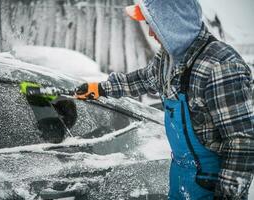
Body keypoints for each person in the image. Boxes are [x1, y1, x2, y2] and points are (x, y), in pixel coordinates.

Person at [75, 0, 254, 199]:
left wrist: (229, 196)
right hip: (180, 176)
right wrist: (100, 88)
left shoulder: (220, 66)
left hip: (211, 184)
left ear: (174, 24)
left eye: (154, 25)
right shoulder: (169, 57)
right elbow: (144, 79)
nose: (151, 33)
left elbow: (242, 142)